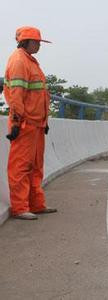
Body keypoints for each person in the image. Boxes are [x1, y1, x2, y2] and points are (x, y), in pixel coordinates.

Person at [3, 26, 57, 220]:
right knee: (20, 167)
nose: (39, 46)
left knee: (35, 166)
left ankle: (36, 204)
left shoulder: (30, 61)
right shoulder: (19, 61)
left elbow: (39, 95)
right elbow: (16, 96)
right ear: (25, 42)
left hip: (37, 124)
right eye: (36, 42)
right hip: (25, 124)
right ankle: (20, 207)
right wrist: (17, 122)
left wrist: (44, 119)